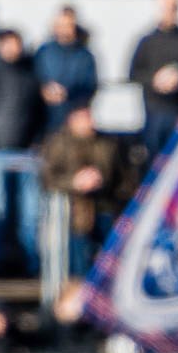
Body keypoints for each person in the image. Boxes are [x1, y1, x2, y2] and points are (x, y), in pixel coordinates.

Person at [0, 27, 47, 276]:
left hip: (27, 154)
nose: (13, 49)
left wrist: (36, 142)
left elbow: (40, 113)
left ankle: (32, 265)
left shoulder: (30, 76)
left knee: (30, 214)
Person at [41, 101, 122, 277]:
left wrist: (100, 180)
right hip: (74, 212)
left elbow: (122, 178)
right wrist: (75, 183)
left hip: (105, 208)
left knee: (109, 260)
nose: (90, 122)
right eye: (85, 118)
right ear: (72, 119)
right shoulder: (58, 143)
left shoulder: (108, 143)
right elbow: (48, 178)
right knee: (79, 262)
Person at [128, 0, 178, 161]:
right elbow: (133, 74)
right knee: (153, 162)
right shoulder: (147, 42)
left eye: (174, 6)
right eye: (166, 6)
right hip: (153, 113)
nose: (170, 11)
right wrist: (154, 80)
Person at [33, 3, 97, 133]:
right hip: (45, 119)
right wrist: (43, 91)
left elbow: (90, 86)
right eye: (61, 25)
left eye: (68, 25)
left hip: (72, 121)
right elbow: (32, 79)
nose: (64, 29)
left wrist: (68, 95)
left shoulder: (84, 55)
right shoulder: (44, 52)